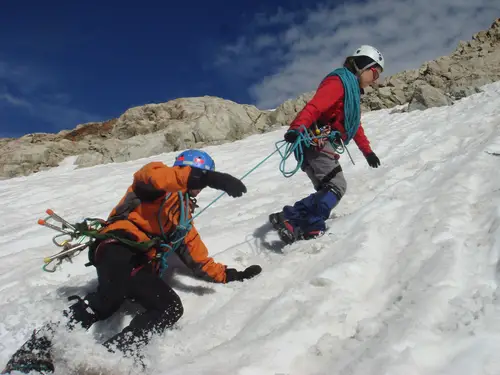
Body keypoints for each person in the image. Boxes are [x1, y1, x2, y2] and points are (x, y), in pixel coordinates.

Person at [2, 149, 262, 374]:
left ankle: (117, 353)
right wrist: (209, 177)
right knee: (109, 298)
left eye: (201, 181)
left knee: (168, 307)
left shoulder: (182, 219)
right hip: (117, 246)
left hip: (138, 262)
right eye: (197, 178)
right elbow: (152, 178)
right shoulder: (156, 181)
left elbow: (198, 257)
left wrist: (232, 274)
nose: (198, 185)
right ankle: (33, 352)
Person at [270, 45, 384, 244]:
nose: (376, 79)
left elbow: (354, 125)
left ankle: (303, 223)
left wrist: (367, 152)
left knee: (326, 189)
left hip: (314, 143)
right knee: (336, 186)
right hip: (315, 140)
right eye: (375, 73)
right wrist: (297, 127)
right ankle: (294, 218)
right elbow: (316, 106)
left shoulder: (351, 93)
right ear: (364, 66)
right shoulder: (339, 82)